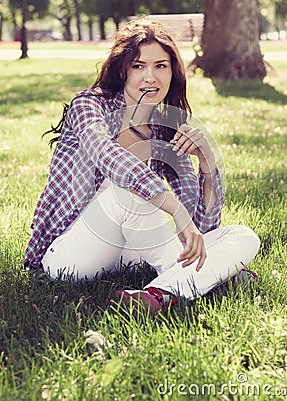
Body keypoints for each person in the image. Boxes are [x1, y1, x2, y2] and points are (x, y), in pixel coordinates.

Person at [23, 18, 260, 314]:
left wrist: (208, 164)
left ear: (173, 73)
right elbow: (107, 155)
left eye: (161, 66)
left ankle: (159, 294)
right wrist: (175, 210)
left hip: (130, 252)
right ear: (122, 69)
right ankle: (209, 277)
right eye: (139, 66)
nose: (150, 77)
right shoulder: (89, 106)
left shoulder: (164, 131)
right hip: (72, 252)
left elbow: (201, 228)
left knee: (243, 236)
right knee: (132, 192)